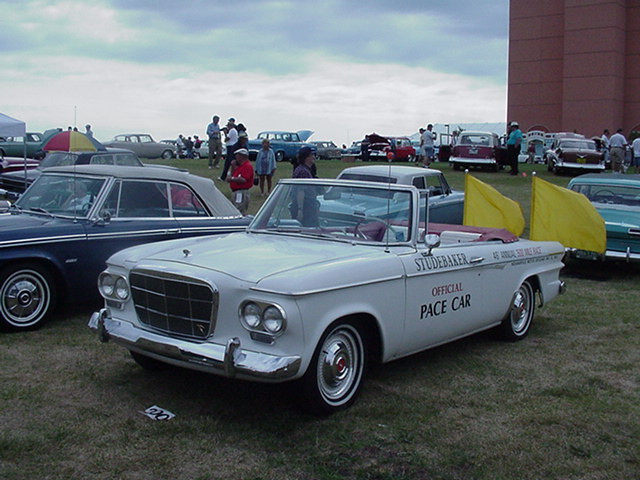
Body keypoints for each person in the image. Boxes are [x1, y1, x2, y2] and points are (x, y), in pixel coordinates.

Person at [290, 146, 319, 226]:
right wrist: (300, 210)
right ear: (306, 157)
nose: (314, 157)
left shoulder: (306, 170)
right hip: (305, 207)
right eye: (311, 155)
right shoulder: (303, 172)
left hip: (308, 206)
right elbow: (300, 191)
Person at [226, 148, 254, 214]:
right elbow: (231, 175)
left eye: (237, 156)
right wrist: (233, 167)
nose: (236, 158)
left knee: (239, 209)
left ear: (242, 156)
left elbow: (243, 179)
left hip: (241, 192)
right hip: (236, 191)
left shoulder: (247, 166)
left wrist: (232, 179)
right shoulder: (239, 166)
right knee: (235, 208)